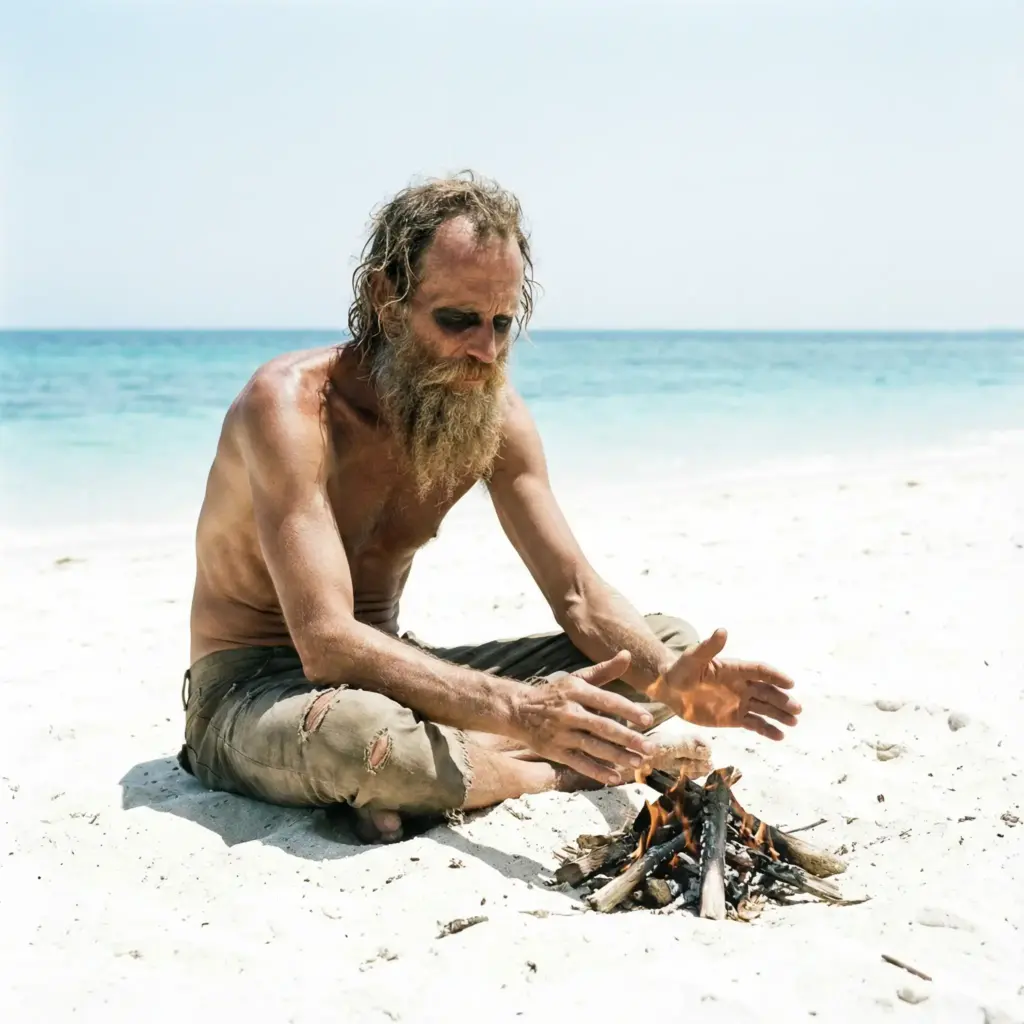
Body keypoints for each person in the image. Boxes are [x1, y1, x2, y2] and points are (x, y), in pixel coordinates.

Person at [179, 173, 801, 843]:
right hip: (256, 692)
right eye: (457, 321)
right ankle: (569, 764)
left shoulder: (489, 412)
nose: (486, 350)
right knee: (363, 740)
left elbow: (579, 596)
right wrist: (523, 711)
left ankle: (453, 771)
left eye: (502, 323)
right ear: (385, 297)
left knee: (664, 641)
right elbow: (326, 643)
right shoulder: (290, 407)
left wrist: (672, 684)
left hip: (396, 677)